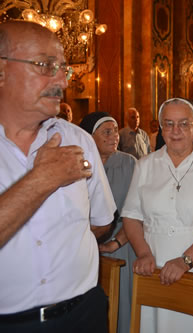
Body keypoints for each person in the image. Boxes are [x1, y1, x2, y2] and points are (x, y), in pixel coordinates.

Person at [0, 21, 116, 332]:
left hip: (84, 313)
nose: (62, 81)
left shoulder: (78, 140)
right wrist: (42, 180)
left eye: (62, 68)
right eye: (45, 65)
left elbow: (101, 222)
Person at [121, 98, 193, 333]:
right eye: (169, 124)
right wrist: (142, 253)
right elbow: (131, 216)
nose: (176, 131)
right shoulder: (145, 165)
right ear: (161, 128)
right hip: (155, 263)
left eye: (183, 124)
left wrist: (185, 261)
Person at [79, 111, 137, 333]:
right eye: (107, 132)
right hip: (86, 246)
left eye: (115, 131)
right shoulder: (79, 165)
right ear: (89, 137)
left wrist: (116, 243)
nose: (114, 136)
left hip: (123, 242)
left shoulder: (129, 164)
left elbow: (136, 211)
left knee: (121, 303)